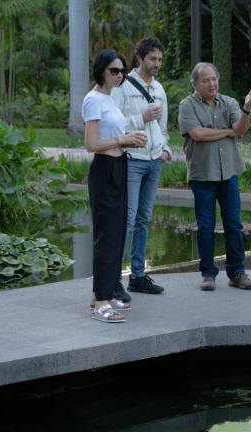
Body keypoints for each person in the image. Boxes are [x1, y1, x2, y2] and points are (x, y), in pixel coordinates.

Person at [178, 62, 251, 291]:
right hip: (202, 174)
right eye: (206, 80)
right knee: (205, 226)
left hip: (229, 172)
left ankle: (237, 272)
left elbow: (240, 129)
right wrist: (227, 132)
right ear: (195, 84)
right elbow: (197, 134)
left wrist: (247, 108)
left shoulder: (229, 102)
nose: (212, 84)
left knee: (234, 224)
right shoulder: (187, 105)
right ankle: (208, 274)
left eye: (214, 79)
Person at [83, 49, 147, 322]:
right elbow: (91, 144)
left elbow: (112, 136)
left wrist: (129, 138)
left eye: (122, 71)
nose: (119, 75)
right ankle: (100, 302)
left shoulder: (109, 98)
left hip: (119, 166)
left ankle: (103, 294)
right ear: (101, 71)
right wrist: (122, 140)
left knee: (118, 234)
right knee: (106, 237)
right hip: (105, 170)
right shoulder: (93, 99)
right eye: (114, 71)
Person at [112, 37, 172, 297]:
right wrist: (141, 117)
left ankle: (137, 276)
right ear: (139, 58)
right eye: (152, 59)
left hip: (154, 161)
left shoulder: (159, 88)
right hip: (132, 160)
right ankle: (113, 279)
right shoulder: (123, 86)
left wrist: (165, 149)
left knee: (144, 219)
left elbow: (163, 126)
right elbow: (114, 124)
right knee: (127, 220)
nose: (157, 64)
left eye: (160, 59)